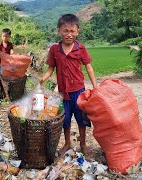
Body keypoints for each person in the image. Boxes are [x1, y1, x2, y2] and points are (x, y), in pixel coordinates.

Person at [40, 14, 97, 156]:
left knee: (81, 120)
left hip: (79, 92)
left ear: (78, 32)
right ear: (58, 31)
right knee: (65, 120)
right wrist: (41, 81)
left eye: (72, 31)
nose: (69, 34)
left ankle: (83, 144)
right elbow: (50, 69)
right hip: (63, 93)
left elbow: (89, 67)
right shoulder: (54, 49)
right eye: (65, 31)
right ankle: (67, 144)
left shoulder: (81, 48)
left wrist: (96, 87)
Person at [0, 28, 14, 101]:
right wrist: (4, 55)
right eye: (3, 36)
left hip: (8, 66)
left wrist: (12, 54)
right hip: (1, 66)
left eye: (6, 36)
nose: (4, 38)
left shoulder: (10, 44)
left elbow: (12, 51)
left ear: (9, 37)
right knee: (0, 80)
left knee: (8, 80)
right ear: (1, 36)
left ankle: (7, 94)